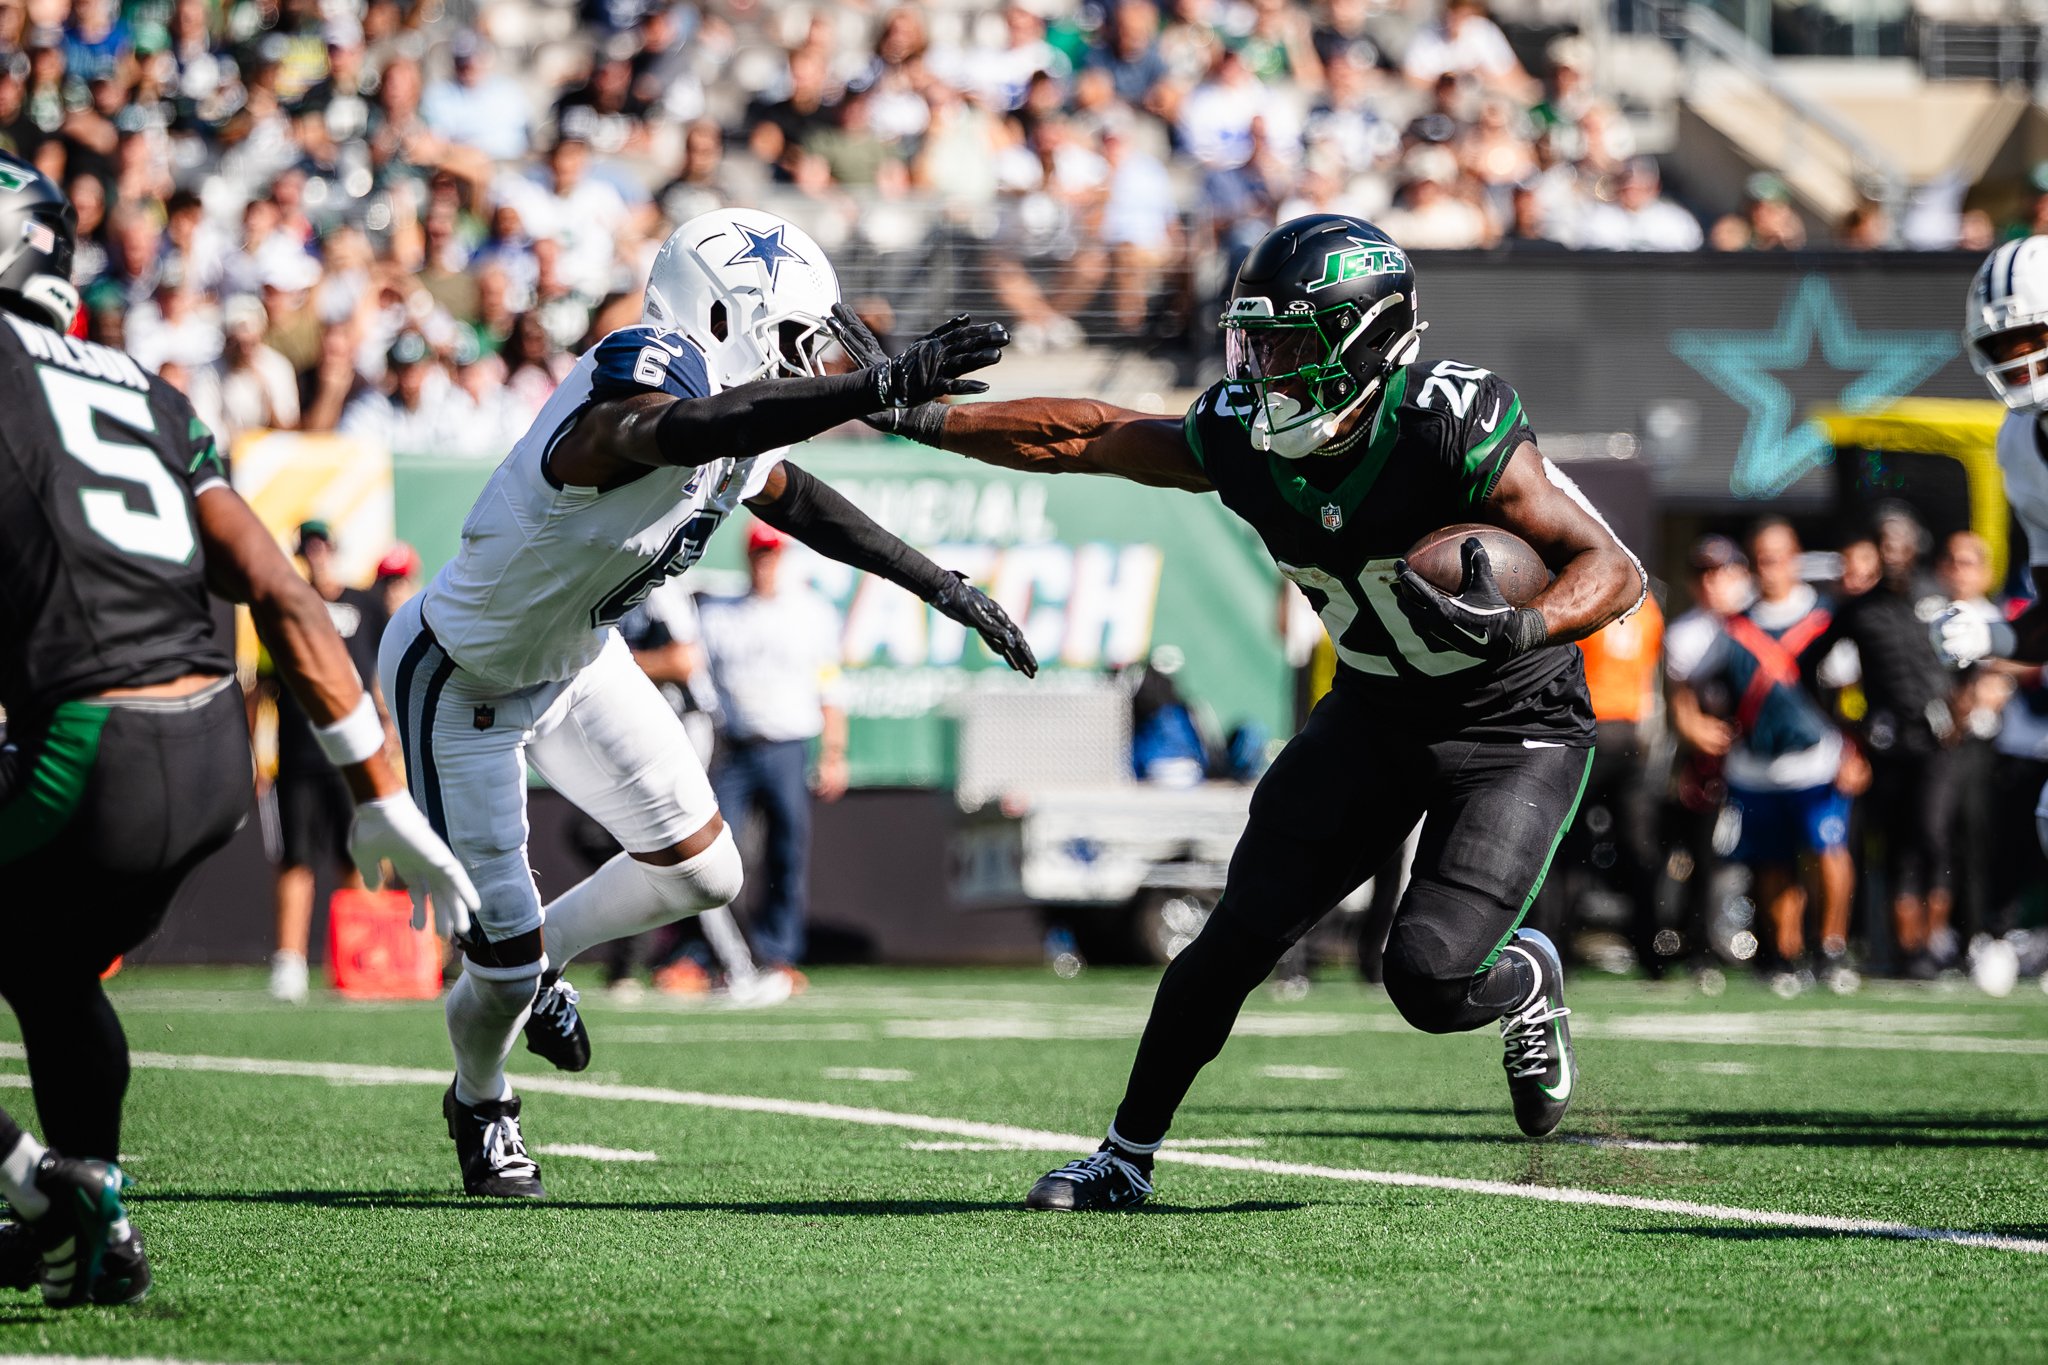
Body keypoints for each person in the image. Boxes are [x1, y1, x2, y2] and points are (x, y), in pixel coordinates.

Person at [838, 214, 1645, 1210]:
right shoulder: (1239, 436)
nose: (1263, 367)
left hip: (1510, 721)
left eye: (1290, 344)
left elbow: (1612, 567)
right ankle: (1123, 1158)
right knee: (1232, 939)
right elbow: (1087, 437)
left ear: (1367, 338)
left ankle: (1522, 978)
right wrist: (918, 419)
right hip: (1375, 710)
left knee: (1427, 980)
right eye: (1253, 341)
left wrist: (1522, 628)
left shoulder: (1447, 421)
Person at [376, 206, 1036, 1201]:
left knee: (705, 871)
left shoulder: (731, 411)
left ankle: (536, 957)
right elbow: (660, 429)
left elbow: (800, 500)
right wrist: (871, 384)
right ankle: (482, 1098)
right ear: (728, 315)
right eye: (793, 340)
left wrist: (941, 584)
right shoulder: (649, 365)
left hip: (576, 657)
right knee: (498, 968)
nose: (807, 364)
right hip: (460, 676)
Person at [0, 151, 472, 1304]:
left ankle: (34, 1185)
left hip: (87, 745)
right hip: (210, 753)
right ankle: (98, 1214)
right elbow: (282, 588)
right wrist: (386, 799)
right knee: (48, 967)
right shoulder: (147, 393)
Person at [1678, 521, 1858, 992]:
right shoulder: (1734, 624)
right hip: (1755, 765)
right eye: (1759, 559)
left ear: (1795, 558)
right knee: (1773, 862)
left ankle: (1833, 947)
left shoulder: (1823, 616)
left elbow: (1849, 691)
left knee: (1828, 849)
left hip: (1815, 759)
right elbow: (1684, 674)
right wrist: (1691, 722)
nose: (1768, 568)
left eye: (1776, 557)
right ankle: (1787, 953)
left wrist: (1853, 750)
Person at [1938, 237, 2048, 933]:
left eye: (2031, 337)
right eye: (2002, 344)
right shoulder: (2020, 443)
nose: (2017, 359)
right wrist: (2000, 632)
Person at [697, 520, 849, 970]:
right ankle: (725, 954)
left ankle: (778, 953)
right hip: (735, 745)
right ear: (748, 557)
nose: (765, 563)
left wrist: (835, 753)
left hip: (788, 744)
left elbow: (831, 687)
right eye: (759, 554)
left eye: (772, 553)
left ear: (784, 558)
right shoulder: (718, 613)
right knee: (717, 854)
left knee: (787, 853)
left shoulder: (811, 613)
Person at [1812, 505, 1956, 976]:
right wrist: (1844, 728)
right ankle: (1903, 949)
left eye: (1899, 543)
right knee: (1893, 844)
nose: (1892, 553)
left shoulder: (1937, 596)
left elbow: (1974, 662)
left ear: (1916, 546)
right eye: (1884, 543)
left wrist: (1965, 706)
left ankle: (1936, 942)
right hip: (1887, 742)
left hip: (1938, 741)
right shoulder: (1859, 608)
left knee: (1931, 836)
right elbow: (1808, 667)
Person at [259, 521, 391, 1003]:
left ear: (334, 548)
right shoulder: (283, 605)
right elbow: (264, 684)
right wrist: (258, 751)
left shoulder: (367, 604)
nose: (316, 553)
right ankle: (289, 962)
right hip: (299, 753)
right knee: (296, 858)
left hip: (356, 752)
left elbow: (381, 673)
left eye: (322, 544)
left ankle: (363, 959)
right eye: (307, 546)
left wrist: (388, 735)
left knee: (358, 855)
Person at [1661, 536, 1753, 974]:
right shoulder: (1685, 633)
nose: (1713, 582)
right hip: (1710, 762)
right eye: (1704, 573)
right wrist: (1692, 726)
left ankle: (1776, 945)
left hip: (1761, 755)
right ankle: (1698, 942)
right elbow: (1678, 697)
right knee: (1703, 852)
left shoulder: (1757, 622)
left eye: (1722, 571)